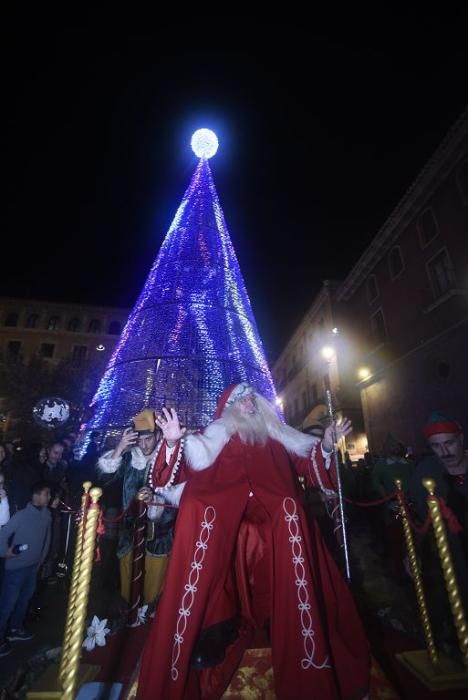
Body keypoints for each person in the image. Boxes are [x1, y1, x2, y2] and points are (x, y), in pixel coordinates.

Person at [138, 383, 369, 700]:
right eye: (238, 399)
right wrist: (173, 442)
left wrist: (327, 445)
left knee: (291, 513)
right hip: (223, 523)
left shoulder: (276, 436)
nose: (247, 403)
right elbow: (170, 478)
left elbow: (311, 464)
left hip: (273, 522)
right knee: (200, 516)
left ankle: (296, 634)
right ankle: (208, 629)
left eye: (251, 398)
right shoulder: (211, 439)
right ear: (226, 409)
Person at [97, 408, 188, 605]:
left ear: (157, 435)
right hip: (129, 536)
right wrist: (120, 448)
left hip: (160, 538)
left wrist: (156, 498)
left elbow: (180, 494)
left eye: (148, 439)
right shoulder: (131, 459)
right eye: (139, 439)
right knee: (128, 589)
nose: (144, 444)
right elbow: (105, 479)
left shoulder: (170, 458)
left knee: (154, 591)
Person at [0, 481, 51, 657]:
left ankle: (15, 629)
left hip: (32, 567)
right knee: (8, 603)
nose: (49, 497)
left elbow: (47, 538)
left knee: (24, 599)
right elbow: (4, 533)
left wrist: (41, 560)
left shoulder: (46, 514)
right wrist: (4, 552)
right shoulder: (21, 515)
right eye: (46, 494)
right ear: (36, 495)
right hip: (16, 568)